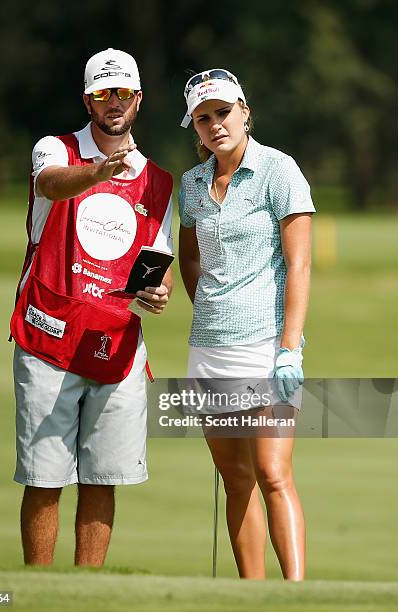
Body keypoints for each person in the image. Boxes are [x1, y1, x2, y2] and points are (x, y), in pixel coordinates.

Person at [10, 48, 173, 566]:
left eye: (123, 92)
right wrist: (100, 172)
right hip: (48, 337)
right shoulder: (54, 150)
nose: (114, 102)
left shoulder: (160, 182)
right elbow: (51, 186)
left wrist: (159, 291)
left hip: (116, 346)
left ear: (139, 99)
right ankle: (37, 592)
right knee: (45, 478)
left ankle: (87, 594)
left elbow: (156, 262)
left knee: (103, 479)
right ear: (88, 100)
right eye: (103, 93)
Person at [178, 69, 315, 580]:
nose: (215, 124)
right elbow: (189, 257)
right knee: (235, 479)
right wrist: (208, 303)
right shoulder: (192, 184)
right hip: (210, 348)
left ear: (245, 112)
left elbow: (299, 265)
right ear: (195, 126)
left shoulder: (279, 171)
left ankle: (295, 593)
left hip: (266, 346)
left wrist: (290, 349)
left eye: (223, 112)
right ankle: (251, 595)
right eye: (203, 117)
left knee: (273, 473)